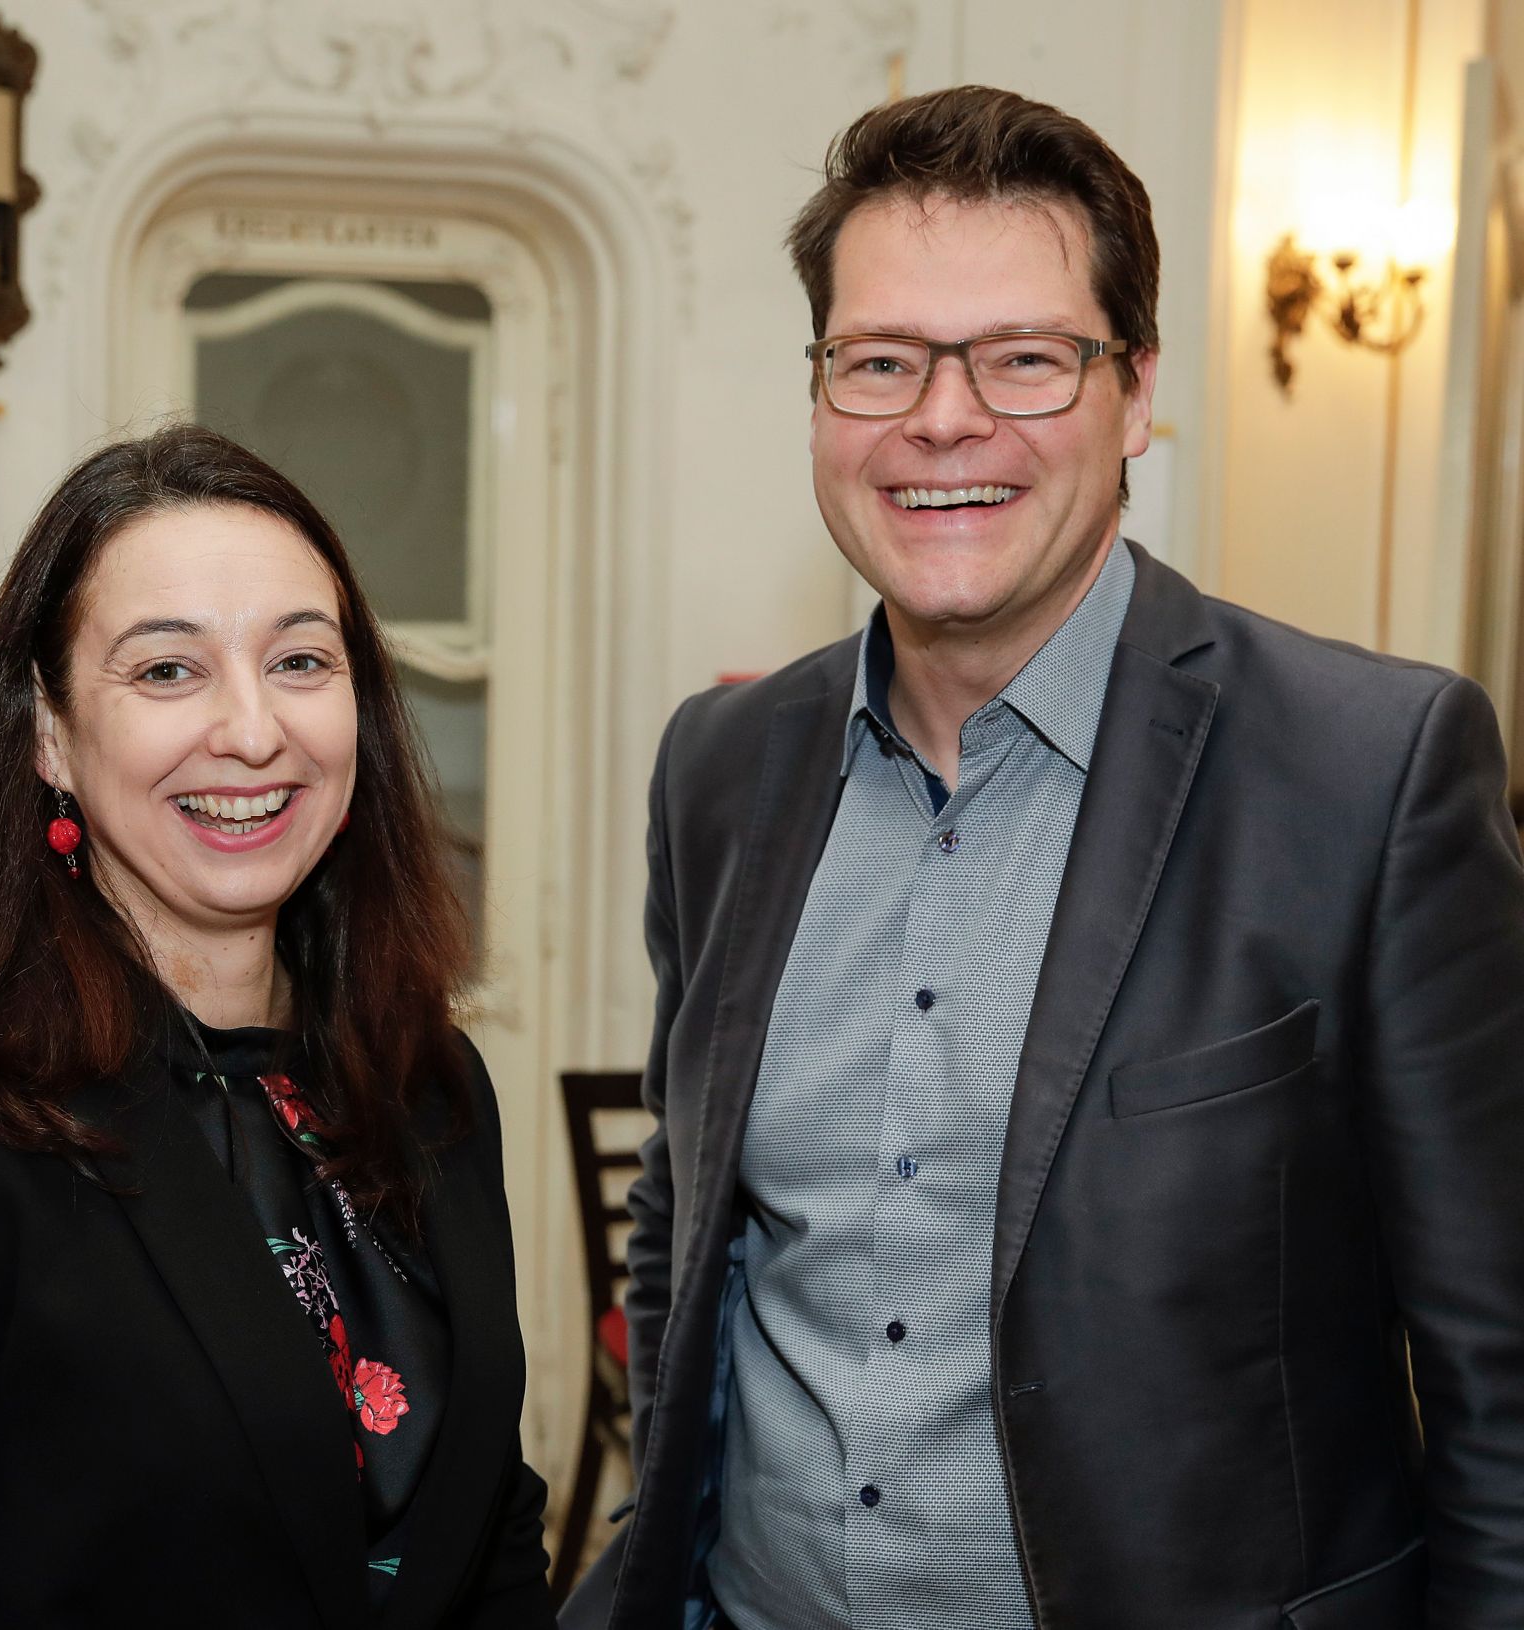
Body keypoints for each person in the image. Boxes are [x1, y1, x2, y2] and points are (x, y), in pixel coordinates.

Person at [564, 86, 1524, 1630]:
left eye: (1025, 358)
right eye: (880, 362)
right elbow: (692, 1212)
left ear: (1137, 391)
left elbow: (1499, 1381)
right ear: (820, 395)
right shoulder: (720, 769)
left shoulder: (1374, 774)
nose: (944, 420)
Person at [0, 426, 553, 1628]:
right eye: (167, 672)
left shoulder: (430, 1086)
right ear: (47, 734)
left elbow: (488, 1536)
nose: (250, 732)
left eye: (300, 660)